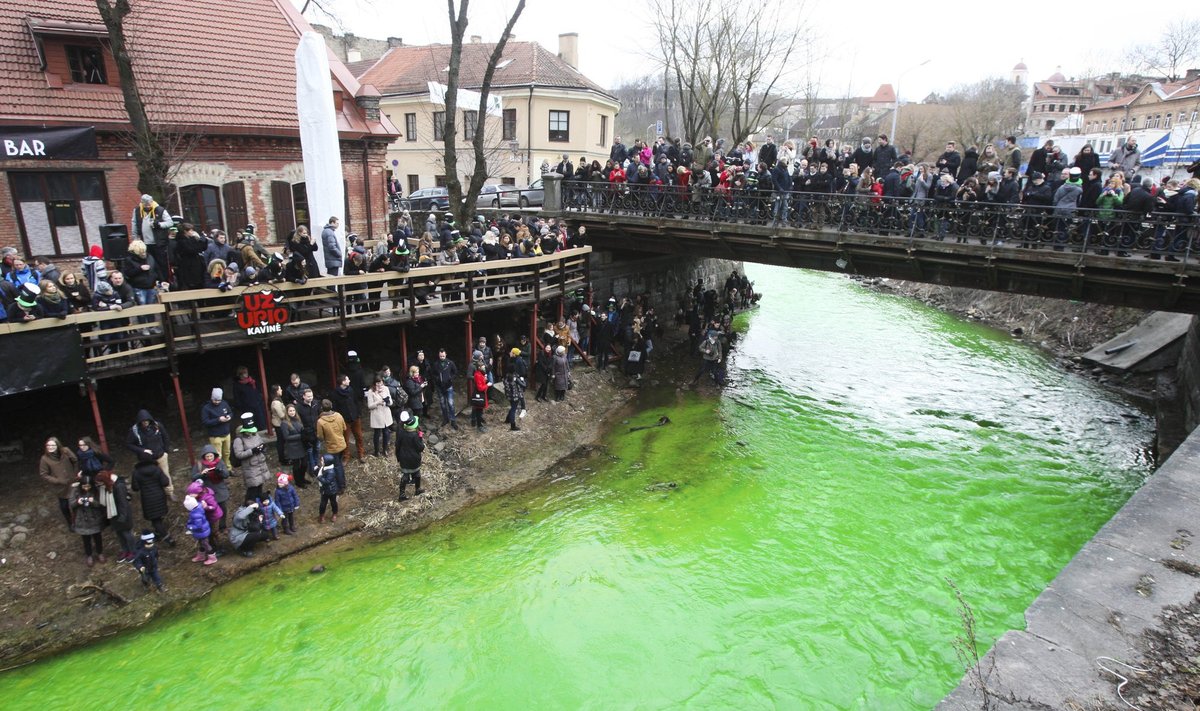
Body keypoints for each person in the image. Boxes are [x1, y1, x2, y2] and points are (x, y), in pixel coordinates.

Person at [131, 449, 176, 546]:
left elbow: (135, 488)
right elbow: (165, 482)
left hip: (147, 498)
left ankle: (167, 538)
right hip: (159, 496)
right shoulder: (156, 468)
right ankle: (159, 534)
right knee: (158, 518)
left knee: (155, 519)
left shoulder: (137, 472)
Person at [131, 194, 173, 283]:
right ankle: (153, 282)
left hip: (159, 243)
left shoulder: (160, 210)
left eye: (149, 204)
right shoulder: (137, 211)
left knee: (162, 264)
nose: (148, 206)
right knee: (149, 264)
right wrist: (135, 239)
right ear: (142, 203)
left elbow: (170, 222)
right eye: (145, 205)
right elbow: (134, 224)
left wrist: (159, 225)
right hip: (145, 244)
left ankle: (165, 282)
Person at [38, 436, 78, 530]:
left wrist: (75, 473)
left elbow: (75, 460)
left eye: (53, 445)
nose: (50, 447)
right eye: (48, 445)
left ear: (57, 445)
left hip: (72, 482)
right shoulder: (44, 458)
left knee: (76, 503)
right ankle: (70, 523)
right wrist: (57, 480)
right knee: (64, 506)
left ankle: (78, 520)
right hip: (60, 487)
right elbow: (44, 474)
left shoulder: (66, 451)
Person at [96, 470, 135, 563]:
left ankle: (132, 551)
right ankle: (125, 550)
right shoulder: (106, 488)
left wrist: (123, 516)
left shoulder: (118, 486)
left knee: (127, 534)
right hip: (113, 514)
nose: (99, 485)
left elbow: (123, 503)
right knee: (119, 534)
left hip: (122, 514)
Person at [192, 444, 231, 537]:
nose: (209, 458)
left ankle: (223, 526)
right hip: (207, 491)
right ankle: (214, 530)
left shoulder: (219, 462)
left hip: (219, 489)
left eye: (211, 456)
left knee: (223, 509)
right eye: (207, 456)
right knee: (211, 511)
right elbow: (193, 478)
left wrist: (220, 471)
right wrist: (201, 474)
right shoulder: (199, 464)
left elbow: (226, 474)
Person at [232, 412, 271, 501]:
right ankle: (249, 506)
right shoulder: (239, 440)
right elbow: (239, 454)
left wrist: (262, 447)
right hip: (250, 467)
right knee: (253, 488)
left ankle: (259, 503)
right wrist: (252, 451)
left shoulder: (255, 434)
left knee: (260, 484)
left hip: (260, 464)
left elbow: (261, 443)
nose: (252, 432)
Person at [70, 474, 106, 566]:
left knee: (97, 537)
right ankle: (89, 555)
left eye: (88, 486)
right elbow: (71, 504)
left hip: (94, 518)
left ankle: (100, 552)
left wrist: (92, 501)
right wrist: (78, 502)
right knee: (86, 539)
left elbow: (100, 504)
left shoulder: (95, 491)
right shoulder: (75, 491)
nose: (86, 488)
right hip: (82, 519)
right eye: (84, 486)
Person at [126, 408, 171, 480]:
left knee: (165, 476)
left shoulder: (157, 426)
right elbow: (129, 444)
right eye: (143, 421)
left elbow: (166, 437)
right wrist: (142, 450)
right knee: (151, 479)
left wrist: (166, 451)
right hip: (146, 460)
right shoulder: (134, 431)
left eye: (147, 420)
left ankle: (169, 491)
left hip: (161, 456)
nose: (145, 422)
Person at [331, 374, 365, 462]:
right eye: (347, 379)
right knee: (345, 439)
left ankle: (361, 454)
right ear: (343, 382)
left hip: (355, 418)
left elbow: (356, 402)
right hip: (344, 420)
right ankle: (346, 457)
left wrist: (358, 413)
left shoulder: (351, 390)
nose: (349, 380)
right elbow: (335, 408)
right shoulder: (335, 394)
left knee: (359, 436)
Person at [232, 366, 267, 441]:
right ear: (239, 375)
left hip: (258, 405)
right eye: (243, 373)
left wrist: (259, 400)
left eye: (246, 373)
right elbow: (237, 398)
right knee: (250, 424)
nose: (245, 375)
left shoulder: (252, 381)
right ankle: (253, 440)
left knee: (261, 422)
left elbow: (260, 390)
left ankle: (263, 439)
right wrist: (242, 407)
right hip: (247, 408)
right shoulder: (237, 385)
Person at [316, 399, 349, 480]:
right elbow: (344, 428)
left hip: (332, 447)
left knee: (337, 466)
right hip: (341, 443)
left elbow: (320, 436)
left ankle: (341, 485)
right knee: (339, 464)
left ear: (321, 408)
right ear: (331, 406)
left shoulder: (320, 421)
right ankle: (340, 480)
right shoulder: (339, 415)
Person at [395, 411, 425, 501]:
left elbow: (397, 445)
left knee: (405, 474)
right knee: (417, 473)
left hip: (404, 457)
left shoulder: (401, 433)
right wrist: (420, 438)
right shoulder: (415, 436)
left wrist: (398, 457)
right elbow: (420, 448)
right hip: (414, 458)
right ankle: (417, 489)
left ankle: (402, 494)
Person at [278, 404, 309, 487]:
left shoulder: (298, 419)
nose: (292, 412)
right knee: (296, 465)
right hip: (293, 447)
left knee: (304, 464)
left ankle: (302, 478)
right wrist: (300, 436)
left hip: (301, 445)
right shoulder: (284, 423)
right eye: (290, 411)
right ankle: (298, 481)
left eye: (293, 410)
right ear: (287, 412)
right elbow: (286, 437)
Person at [200, 388, 234, 464]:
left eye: (219, 400)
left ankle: (228, 469)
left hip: (226, 433)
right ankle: (219, 471)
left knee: (227, 453)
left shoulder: (224, 403)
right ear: (212, 398)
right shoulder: (206, 408)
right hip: (215, 436)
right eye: (215, 400)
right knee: (217, 456)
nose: (217, 402)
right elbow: (205, 422)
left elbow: (230, 413)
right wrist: (218, 420)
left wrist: (229, 417)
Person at [183, 494, 218, 565]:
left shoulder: (196, 514)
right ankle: (201, 556)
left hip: (202, 531)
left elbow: (198, 526)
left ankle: (212, 557)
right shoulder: (197, 508)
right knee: (201, 543)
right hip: (201, 531)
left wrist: (190, 527)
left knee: (205, 544)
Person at [431, 347, 459, 430]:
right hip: (440, 387)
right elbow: (433, 373)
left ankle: (453, 420)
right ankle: (445, 419)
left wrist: (451, 377)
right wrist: (437, 378)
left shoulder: (450, 363)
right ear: (438, 355)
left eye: (443, 356)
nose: (442, 358)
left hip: (448, 386)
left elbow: (455, 371)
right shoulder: (436, 364)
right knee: (443, 404)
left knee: (451, 403)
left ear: (446, 355)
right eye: (440, 356)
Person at [366, 376, 394, 457]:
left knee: (386, 432)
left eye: (381, 382)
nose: (380, 384)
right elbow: (370, 406)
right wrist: (378, 402)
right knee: (377, 434)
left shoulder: (386, 389)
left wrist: (387, 401)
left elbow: (391, 402)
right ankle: (376, 451)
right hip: (377, 415)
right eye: (378, 383)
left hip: (385, 413)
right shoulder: (371, 391)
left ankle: (385, 449)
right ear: (374, 383)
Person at [295, 388, 322, 473]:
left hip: (316, 432)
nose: (310, 398)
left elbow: (320, 415)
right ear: (303, 396)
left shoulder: (316, 403)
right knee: (309, 451)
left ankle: (317, 465)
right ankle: (312, 468)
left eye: (311, 396)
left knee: (317, 449)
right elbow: (298, 421)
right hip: (307, 434)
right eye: (308, 396)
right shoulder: (299, 407)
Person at [316, 454, 345, 523]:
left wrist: (319, 477)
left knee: (333, 503)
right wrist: (317, 470)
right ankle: (321, 515)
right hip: (324, 490)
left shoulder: (331, 471)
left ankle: (334, 513)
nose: (321, 461)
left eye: (322, 460)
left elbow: (327, 481)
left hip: (332, 490)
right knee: (323, 504)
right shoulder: (324, 468)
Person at [504, 347, 527, 431]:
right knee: (514, 409)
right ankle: (513, 425)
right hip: (515, 395)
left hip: (509, 395)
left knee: (512, 407)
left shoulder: (506, 377)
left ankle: (507, 419)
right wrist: (522, 380)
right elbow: (524, 385)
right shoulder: (515, 377)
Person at [469, 364, 489, 432]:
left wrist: (485, 380)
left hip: (481, 394)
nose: (484, 367)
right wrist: (487, 385)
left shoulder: (481, 374)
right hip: (479, 395)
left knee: (480, 411)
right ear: (479, 367)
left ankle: (479, 424)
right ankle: (479, 426)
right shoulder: (478, 375)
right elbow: (480, 388)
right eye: (483, 366)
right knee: (479, 411)